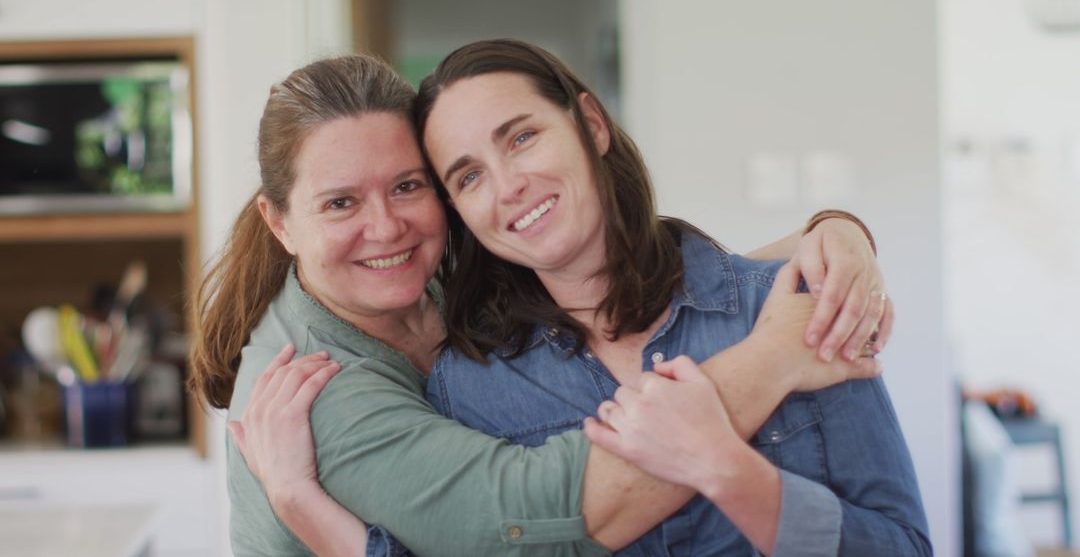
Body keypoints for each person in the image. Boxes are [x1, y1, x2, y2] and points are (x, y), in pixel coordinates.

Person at [194, 53, 897, 557]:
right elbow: (519, 521)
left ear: (589, 123)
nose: (387, 227)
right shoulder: (315, 388)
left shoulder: (443, 271)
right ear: (280, 222)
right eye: (341, 202)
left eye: (409, 186)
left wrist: (830, 235)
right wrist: (771, 364)